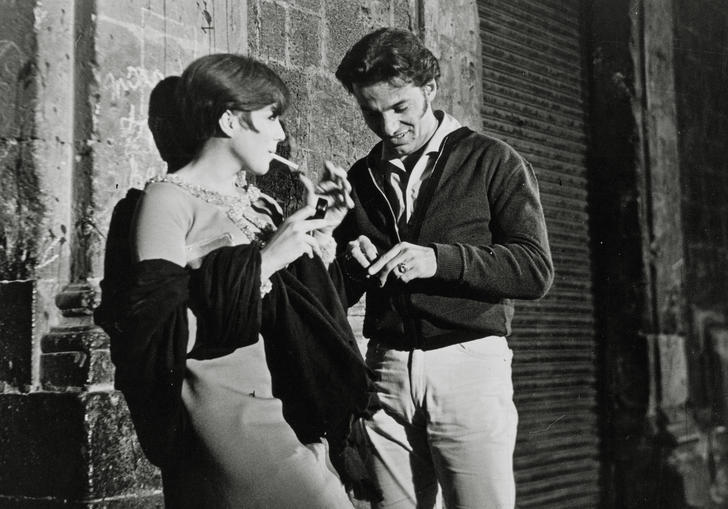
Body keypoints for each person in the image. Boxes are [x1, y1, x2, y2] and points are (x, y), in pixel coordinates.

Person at [95, 54, 379, 508]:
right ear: (229, 120)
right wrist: (265, 262)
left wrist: (323, 233)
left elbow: (304, 314)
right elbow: (157, 335)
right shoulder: (166, 201)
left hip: (292, 411)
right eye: (270, 118)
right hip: (229, 420)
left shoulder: (261, 204)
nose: (280, 135)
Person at [333, 28, 554, 509]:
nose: (388, 127)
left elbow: (535, 269)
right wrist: (350, 263)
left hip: (468, 364)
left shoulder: (492, 159)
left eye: (400, 108)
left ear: (430, 89)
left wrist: (439, 259)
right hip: (386, 370)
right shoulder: (360, 176)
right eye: (372, 112)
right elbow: (341, 293)